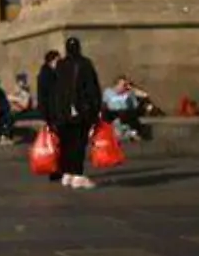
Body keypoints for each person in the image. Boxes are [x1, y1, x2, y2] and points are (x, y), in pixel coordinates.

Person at [46, 37, 102, 189]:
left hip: (62, 112)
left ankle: (67, 174)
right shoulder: (84, 63)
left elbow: (54, 90)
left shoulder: (60, 65)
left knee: (66, 143)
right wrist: (95, 109)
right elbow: (92, 88)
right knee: (78, 142)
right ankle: (78, 175)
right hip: (80, 111)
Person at [36, 50, 62, 181]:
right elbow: (44, 97)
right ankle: (55, 169)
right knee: (56, 143)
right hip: (53, 114)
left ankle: (57, 169)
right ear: (52, 60)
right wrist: (45, 117)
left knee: (57, 143)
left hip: (54, 113)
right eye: (58, 59)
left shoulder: (48, 73)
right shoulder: (47, 75)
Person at [102, 76, 144, 142]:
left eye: (126, 85)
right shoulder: (108, 92)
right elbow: (104, 104)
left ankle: (132, 133)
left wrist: (131, 91)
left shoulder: (128, 93)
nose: (124, 87)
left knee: (131, 114)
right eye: (123, 85)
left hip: (125, 113)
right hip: (112, 113)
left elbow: (136, 105)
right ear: (117, 84)